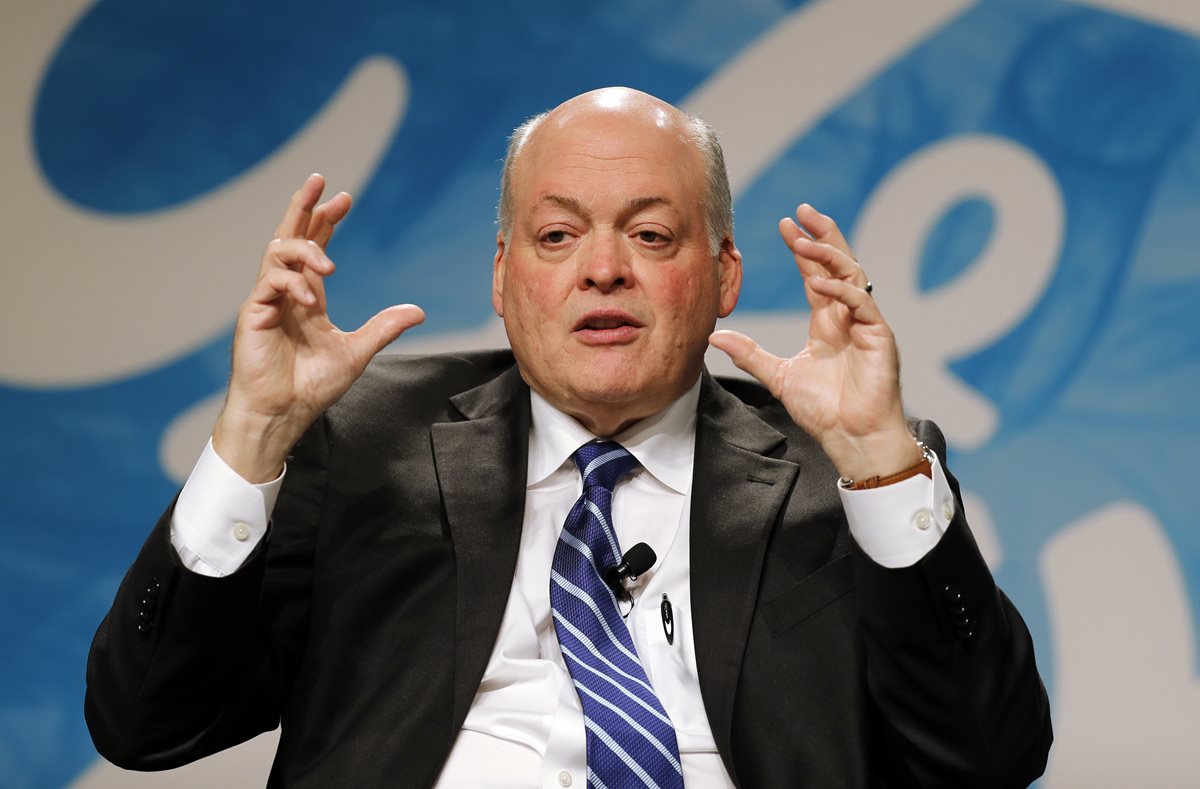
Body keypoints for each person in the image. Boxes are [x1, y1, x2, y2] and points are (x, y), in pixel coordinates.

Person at [85, 87, 1052, 787]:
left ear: (723, 275)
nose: (602, 269)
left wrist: (879, 463)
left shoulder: (839, 465)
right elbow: (145, 725)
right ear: (502, 277)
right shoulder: (365, 441)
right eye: (557, 236)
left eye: (651, 235)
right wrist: (254, 433)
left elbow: (989, 756)